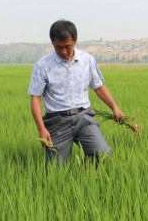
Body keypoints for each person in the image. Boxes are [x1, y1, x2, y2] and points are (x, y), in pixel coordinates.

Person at [28, 19, 125, 164]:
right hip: (57, 121)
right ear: (52, 43)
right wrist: (41, 128)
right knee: (56, 169)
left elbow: (98, 86)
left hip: (83, 117)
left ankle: (89, 180)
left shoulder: (87, 60)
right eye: (58, 47)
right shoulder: (43, 65)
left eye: (67, 46)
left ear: (75, 41)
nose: (63, 51)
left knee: (103, 154)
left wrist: (115, 107)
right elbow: (35, 97)